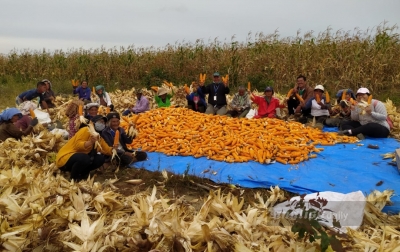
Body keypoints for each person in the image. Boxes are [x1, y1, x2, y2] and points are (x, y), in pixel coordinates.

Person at [56, 115, 117, 181]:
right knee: (85, 158)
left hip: (80, 159)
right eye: (100, 122)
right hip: (65, 158)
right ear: (93, 123)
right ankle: (74, 178)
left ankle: (83, 174)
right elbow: (77, 145)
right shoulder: (85, 130)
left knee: (100, 159)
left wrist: (113, 149)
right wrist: (90, 142)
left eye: (103, 122)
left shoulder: (99, 138)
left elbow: (106, 150)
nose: (102, 124)